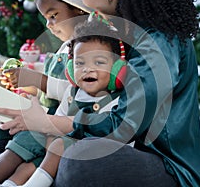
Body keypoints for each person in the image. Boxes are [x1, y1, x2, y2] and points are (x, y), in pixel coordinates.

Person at [0, 0, 200, 186]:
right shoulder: (119, 31)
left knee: (79, 163)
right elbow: (85, 99)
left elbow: (123, 125)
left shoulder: (157, 44)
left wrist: (48, 122)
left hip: (166, 166)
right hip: (103, 142)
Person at [0, 0, 91, 186]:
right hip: (44, 115)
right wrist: (25, 93)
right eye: (46, 18)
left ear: (78, 9)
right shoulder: (63, 48)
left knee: (24, 149)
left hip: (58, 123)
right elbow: (46, 97)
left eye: (53, 16)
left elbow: (75, 92)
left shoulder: (91, 49)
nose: (49, 25)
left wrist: (37, 80)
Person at [7, 14, 128, 187]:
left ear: (117, 68)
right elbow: (55, 126)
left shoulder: (116, 102)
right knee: (27, 166)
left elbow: (114, 135)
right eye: (79, 63)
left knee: (58, 148)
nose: (88, 69)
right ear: (70, 69)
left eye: (99, 62)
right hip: (61, 154)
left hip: (97, 158)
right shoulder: (73, 94)